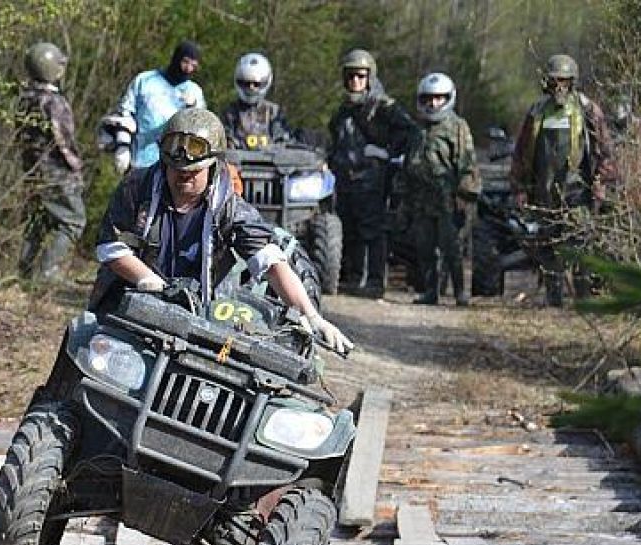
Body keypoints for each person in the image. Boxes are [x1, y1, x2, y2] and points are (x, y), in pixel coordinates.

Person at [87, 107, 353, 355]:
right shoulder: (137, 187)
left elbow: (270, 261)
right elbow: (112, 247)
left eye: (193, 171)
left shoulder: (232, 209)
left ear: (213, 164)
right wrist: (147, 280)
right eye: (176, 170)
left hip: (198, 311)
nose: (184, 177)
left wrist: (312, 316)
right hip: (129, 300)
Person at [510, 54, 615, 306]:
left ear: (573, 82)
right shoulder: (537, 112)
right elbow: (522, 152)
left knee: (580, 245)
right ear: (547, 82)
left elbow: (605, 151)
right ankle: (554, 302)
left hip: (578, 192)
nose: (559, 87)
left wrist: (601, 182)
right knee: (547, 247)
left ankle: (584, 303)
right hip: (544, 193)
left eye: (565, 81)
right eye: (555, 81)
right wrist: (520, 188)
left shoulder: (587, 110)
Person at [327, 48, 417, 298]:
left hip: (373, 179)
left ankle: (376, 281)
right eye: (351, 76)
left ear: (370, 77)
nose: (356, 81)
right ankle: (353, 278)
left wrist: (386, 153)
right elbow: (334, 140)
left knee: (373, 231)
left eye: (361, 76)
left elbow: (410, 133)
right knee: (350, 229)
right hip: (345, 180)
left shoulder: (383, 107)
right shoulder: (343, 110)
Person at [402, 72, 481, 306]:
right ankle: (430, 291)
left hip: (449, 199)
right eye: (429, 99)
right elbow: (409, 162)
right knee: (425, 248)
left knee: (453, 248)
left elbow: (467, 163)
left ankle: (459, 292)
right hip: (421, 200)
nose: (433, 104)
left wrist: (464, 196)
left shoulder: (457, 127)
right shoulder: (417, 129)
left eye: (439, 98)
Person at [15, 42, 86, 282]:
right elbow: (63, 141)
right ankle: (47, 271)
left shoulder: (24, 99)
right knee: (74, 221)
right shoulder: (53, 102)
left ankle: (24, 272)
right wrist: (76, 166)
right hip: (56, 172)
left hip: (33, 171)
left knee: (39, 221)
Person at [111, 41, 206, 173]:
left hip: (173, 167)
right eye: (185, 62)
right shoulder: (145, 81)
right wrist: (123, 147)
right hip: (139, 161)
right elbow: (125, 113)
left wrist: (193, 108)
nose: (188, 68)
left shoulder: (194, 92)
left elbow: (200, 129)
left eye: (193, 65)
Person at [221, 53, 293, 150]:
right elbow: (225, 141)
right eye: (247, 83)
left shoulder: (274, 112)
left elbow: (282, 141)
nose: (251, 88)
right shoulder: (230, 112)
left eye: (256, 84)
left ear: (265, 82)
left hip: (271, 163)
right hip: (238, 163)